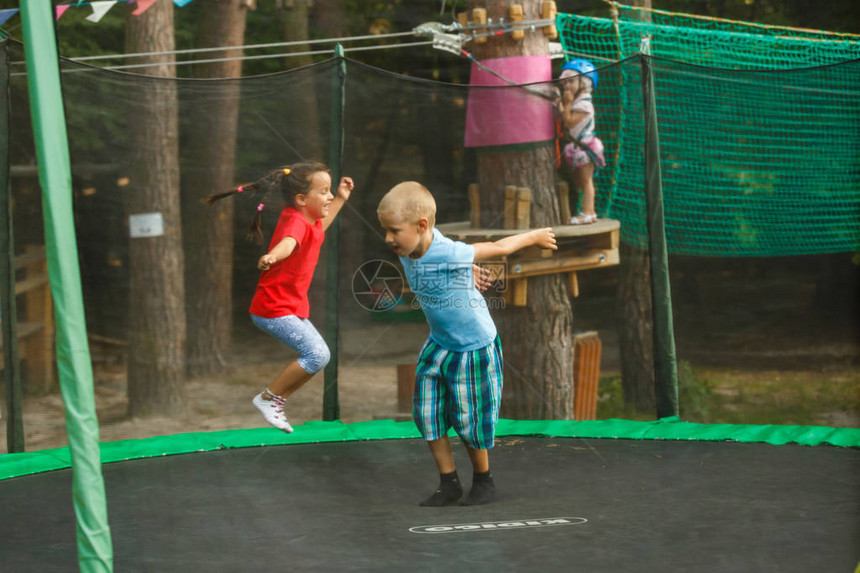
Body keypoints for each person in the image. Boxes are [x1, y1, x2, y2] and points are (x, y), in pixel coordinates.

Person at [377, 182, 557, 506]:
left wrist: (534, 237)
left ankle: (484, 480)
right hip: (439, 344)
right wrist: (464, 270)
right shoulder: (409, 246)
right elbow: (436, 248)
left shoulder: (445, 251)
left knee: (469, 418)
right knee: (427, 413)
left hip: (472, 347)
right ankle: (449, 483)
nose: (388, 238)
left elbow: (499, 247)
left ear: (420, 227)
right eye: (385, 231)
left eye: (393, 231)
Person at [204, 161, 354, 433]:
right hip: (272, 308)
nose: (329, 196)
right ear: (300, 199)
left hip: (287, 307)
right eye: (324, 192)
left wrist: (341, 198)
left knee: (320, 357)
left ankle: (274, 400)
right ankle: (267, 399)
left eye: (330, 190)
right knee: (317, 354)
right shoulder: (296, 221)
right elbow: (289, 242)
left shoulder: (310, 220)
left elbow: (323, 225)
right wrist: (273, 255)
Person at [557, 58, 605, 225]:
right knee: (583, 182)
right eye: (565, 82)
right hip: (579, 147)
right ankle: (590, 212)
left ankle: (586, 213)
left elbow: (568, 122)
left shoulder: (584, 104)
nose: (567, 86)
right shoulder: (579, 102)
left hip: (585, 147)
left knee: (586, 182)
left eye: (571, 81)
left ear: (584, 82)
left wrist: (566, 104)